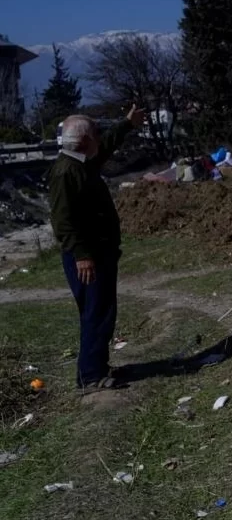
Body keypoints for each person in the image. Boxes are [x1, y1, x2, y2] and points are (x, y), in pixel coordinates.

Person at [48, 106, 145, 393]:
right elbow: (63, 221)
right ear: (84, 140)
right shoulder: (66, 171)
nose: (100, 140)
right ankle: (91, 376)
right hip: (86, 255)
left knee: (99, 310)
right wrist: (82, 255)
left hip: (95, 252)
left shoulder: (80, 163)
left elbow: (107, 148)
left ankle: (96, 367)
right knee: (96, 312)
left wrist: (127, 124)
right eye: (96, 135)